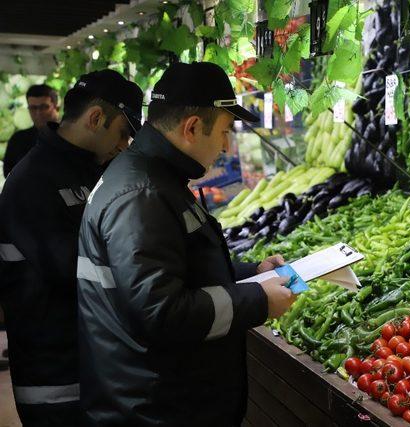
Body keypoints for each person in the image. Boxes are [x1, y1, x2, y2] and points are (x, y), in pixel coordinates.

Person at [76, 62, 296, 427]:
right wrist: (258, 301)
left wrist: (251, 273)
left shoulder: (154, 179)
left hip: (160, 400)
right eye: (225, 132)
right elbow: (161, 312)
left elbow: (176, 268)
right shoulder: (141, 195)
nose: (226, 147)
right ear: (192, 127)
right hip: (153, 410)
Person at [0, 70, 143, 427]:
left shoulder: (90, 172)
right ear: (96, 119)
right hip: (54, 380)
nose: (125, 145)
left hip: (94, 366)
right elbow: (72, 270)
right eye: (123, 133)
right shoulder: (31, 181)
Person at [3, 84, 60, 177]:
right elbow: (9, 174)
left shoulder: (70, 137)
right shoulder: (18, 140)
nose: (38, 113)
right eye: (33, 108)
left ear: (56, 107)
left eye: (44, 107)